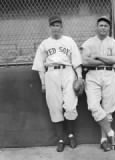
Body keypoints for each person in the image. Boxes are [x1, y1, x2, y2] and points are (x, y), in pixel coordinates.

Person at [32, 15, 83, 152]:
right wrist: (43, 83)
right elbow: (40, 66)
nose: (55, 28)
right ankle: (60, 139)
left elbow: (77, 61)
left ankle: (71, 135)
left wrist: (80, 77)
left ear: (61, 27)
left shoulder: (69, 41)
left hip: (67, 72)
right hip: (51, 74)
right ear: (50, 27)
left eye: (58, 25)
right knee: (55, 107)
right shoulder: (44, 44)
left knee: (71, 106)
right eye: (53, 25)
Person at [81, 16, 115, 152]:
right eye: (101, 25)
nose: (103, 28)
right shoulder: (89, 43)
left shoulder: (114, 42)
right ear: (96, 27)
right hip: (92, 75)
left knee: (108, 108)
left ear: (109, 29)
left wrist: (97, 58)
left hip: (110, 74)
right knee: (93, 106)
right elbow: (85, 61)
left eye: (106, 26)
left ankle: (104, 140)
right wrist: (106, 61)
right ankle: (110, 132)